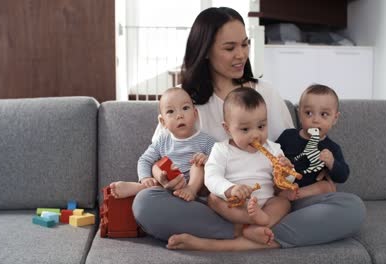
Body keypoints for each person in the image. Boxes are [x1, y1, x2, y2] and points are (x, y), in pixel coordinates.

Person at [132, 7, 366, 251]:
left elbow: (287, 159)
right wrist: (163, 177)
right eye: (230, 47)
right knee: (146, 203)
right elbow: (159, 156)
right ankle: (251, 235)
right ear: (205, 52)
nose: (241, 55)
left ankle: (233, 239)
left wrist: (292, 173)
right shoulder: (183, 101)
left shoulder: (266, 93)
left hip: (270, 206)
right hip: (214, 206)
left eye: (245, 45)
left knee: (351, 207)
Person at [205, 88, 291, 245]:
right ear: (227, 129)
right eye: (245, 129)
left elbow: (286, 182)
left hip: (266, 204)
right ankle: (254, 223)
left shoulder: (274, 149)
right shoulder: (221, 149)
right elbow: (211, 177)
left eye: (261, 126)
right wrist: (231, 189)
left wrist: (287, 172)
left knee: (283, 202)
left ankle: (256, 225)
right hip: (236, 205)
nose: (255, 135)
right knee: (213, 199)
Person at [110, 87, 215, 201]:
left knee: (198, 165)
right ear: (163, 122)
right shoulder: (162, 141)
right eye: (171, 111)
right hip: (168, 185)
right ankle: (143, 187)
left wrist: (206, 159)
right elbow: (144, 160)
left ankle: (190, 190)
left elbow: (220, 162)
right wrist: (145, 178)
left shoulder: (206, 140)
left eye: (185, 108)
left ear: (195, 114)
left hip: (195, 187)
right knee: (156, 167)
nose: (179, 115)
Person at [277, 84, 348, 201]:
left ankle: (297, 194)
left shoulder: (332, 148)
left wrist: (332, 163)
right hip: (287, 186)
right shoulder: (287, 136)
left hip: (311, 195)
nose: (315, 120)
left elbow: (343, 176)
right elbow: (271, 155)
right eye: (309, 113)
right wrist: (281, 162)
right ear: (300, 114)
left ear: (335, 119)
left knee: (326, 186)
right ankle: (288, 195)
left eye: (324, 114)